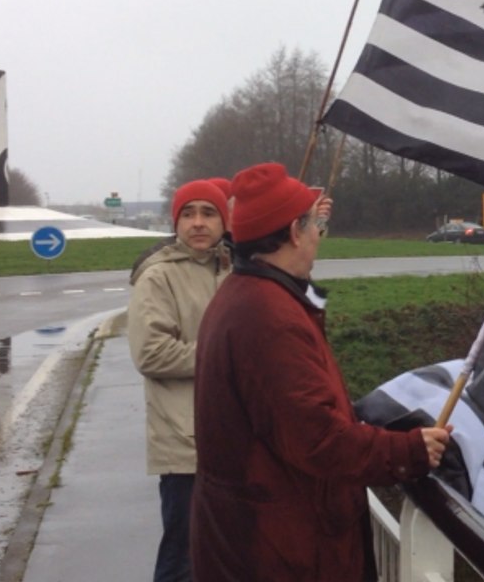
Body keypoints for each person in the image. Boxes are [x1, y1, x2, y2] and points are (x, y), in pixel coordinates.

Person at [191, 162, 451, 582]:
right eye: (317, 227)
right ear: (295, 232)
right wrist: (409, 451)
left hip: (252, 537)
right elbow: (319, 440)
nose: (318, 237)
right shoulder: (267, 317)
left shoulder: (246, 294)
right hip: (280, 550)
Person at [128, 178, 230, 582]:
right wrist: (223, 359)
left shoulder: (232, 269)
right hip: (184, 441)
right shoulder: (158, 277)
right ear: (176, 222)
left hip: (234, 439)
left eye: (209, 213)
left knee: (227, 553)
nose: (198, 223)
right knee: (184, 555)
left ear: (225, 221)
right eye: (188, 214)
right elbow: (151, 352)